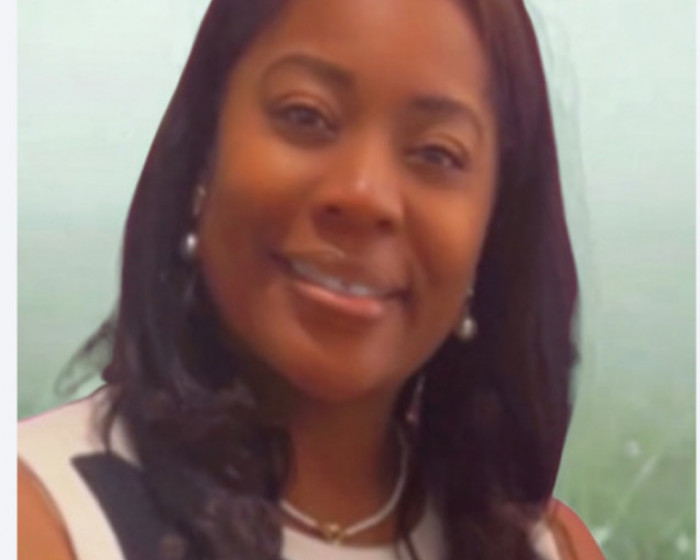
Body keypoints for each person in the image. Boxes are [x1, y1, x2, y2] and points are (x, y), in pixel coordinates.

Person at [18, 0, 606, 559]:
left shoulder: (549, 548)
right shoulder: (41, 518)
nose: (363, 196)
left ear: (493, 230)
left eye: (436, 153)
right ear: (202, 151)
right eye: (306, 116)